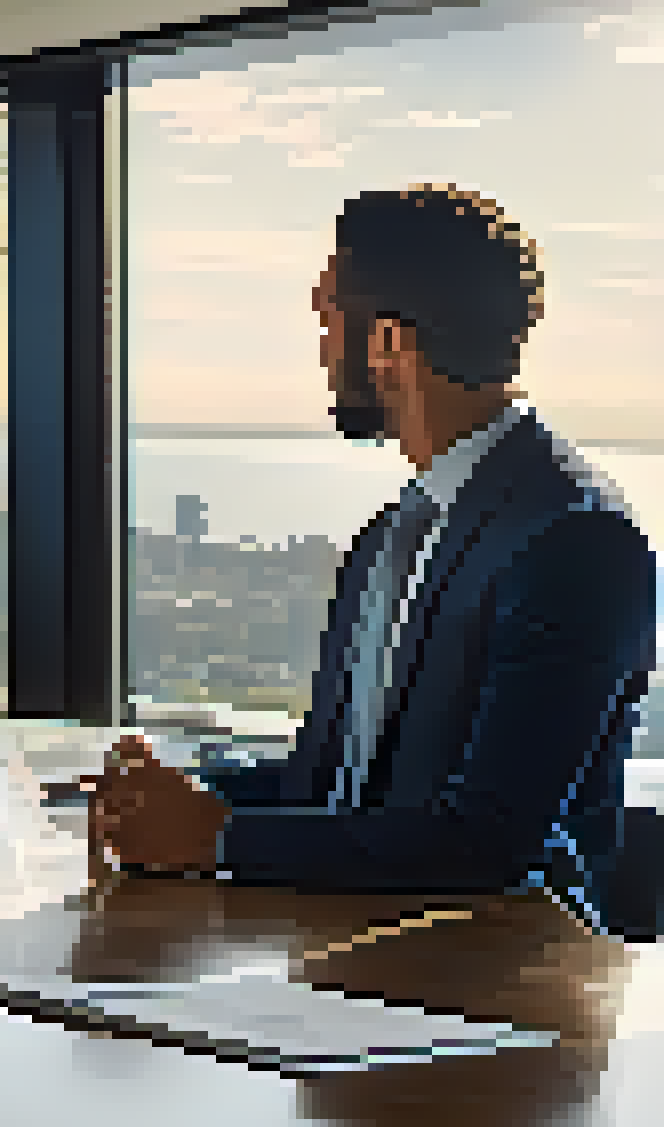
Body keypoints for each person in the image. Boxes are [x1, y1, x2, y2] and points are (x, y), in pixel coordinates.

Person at [90, 186, 656, 922]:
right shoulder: (390, 537)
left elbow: (488, 843)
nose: (322, 348)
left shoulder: (578, 540)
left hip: (501, 980)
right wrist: (182, 794)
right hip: (355, 947)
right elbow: (335, 781)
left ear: (389, 344)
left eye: (329, 317)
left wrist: (217, 839)